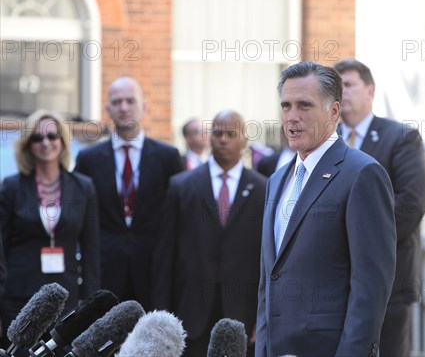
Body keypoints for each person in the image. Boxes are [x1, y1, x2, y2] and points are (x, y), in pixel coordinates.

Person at [255, 62, 397, 356]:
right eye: (286, 106)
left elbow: (370, 289)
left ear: (334, 111)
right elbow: (268, 281)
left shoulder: (362, 174)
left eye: (304, 105)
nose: (292, 117)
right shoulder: (276, 180)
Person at [334, 58, 425, 357]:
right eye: (336, 87)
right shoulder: (325, 142)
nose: (342, 92)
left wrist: (359, 245)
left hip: (389, 281)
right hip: (335, 283)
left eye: (348, 85)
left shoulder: (400, 137)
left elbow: (411, 203)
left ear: (370, 91)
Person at [154, 110, 267, 357]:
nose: (223, 139)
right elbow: (165, 256)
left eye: (231, 134)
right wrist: (162, 316)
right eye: (217, 133)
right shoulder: (181, 186)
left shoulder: (263, 189)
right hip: (190, 317)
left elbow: (268, 258)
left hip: (243, 315)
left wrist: (264, 315)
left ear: (244, 139)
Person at [74, 77, 183, 311]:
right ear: (107, 109)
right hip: (105, 273)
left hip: (153, 272)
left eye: (130, 101)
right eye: (117, 102)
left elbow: (178, 218)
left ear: (144, 106)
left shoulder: (168, 157)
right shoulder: (88, 159)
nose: (124, 107)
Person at [0, 110, 100, 348]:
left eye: (52, 136)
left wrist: (89, 304)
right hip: (19, 298)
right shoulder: (12, 187)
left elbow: (91, 251)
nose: (46, 143)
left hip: (66, 300)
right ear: (28, 145)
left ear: (63, 142)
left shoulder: (83, 186)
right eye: (37, 138)